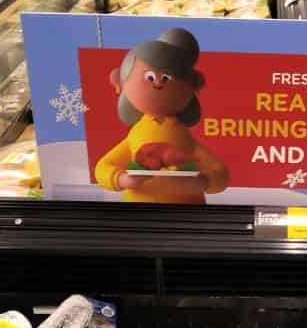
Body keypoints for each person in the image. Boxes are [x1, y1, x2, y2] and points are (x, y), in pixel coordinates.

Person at [94, 27, 229, 203]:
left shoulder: (183, 137)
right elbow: (102, 168)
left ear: (192, 86)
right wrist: (121, 179)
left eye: (166, 78)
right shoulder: (136, 134)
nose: (157, 83)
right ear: (121, 82)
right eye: (149, 77)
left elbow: (220, 172)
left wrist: (205, 182)